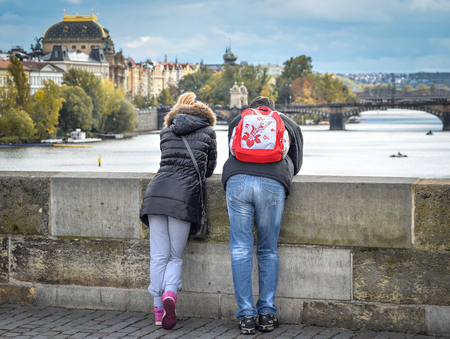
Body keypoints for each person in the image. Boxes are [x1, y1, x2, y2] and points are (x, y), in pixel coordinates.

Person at [222, 96, 303, 335]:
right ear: (271, 109)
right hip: (272, 182)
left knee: (240, 249)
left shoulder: (238, 120)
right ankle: (266, 314)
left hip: (237, 181)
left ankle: (246, 317)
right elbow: (296, 163)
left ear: (252, 108)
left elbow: (232, 150)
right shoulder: (288, 123)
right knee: (268, 249)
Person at [140, 92, 217, 330]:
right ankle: (170, 294)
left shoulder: (165, 132)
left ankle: (157, 312)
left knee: (158, 256)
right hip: (183, 198)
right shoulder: (209, 132)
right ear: (204, 113)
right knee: (174, 256)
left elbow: (167, 160)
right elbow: (209, 168)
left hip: (155, 194)